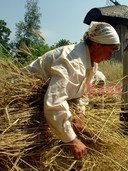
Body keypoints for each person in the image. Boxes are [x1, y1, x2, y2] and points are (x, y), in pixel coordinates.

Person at [23, 21, 120, 160]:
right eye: (110, 51)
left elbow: (84, 91)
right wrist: (72, 140)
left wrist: (80, 112)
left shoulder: (92, 64)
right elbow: (53, 102)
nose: (110, 57)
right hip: (26, 96)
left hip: (45, 96)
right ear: (97, 45)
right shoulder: (72, 61)